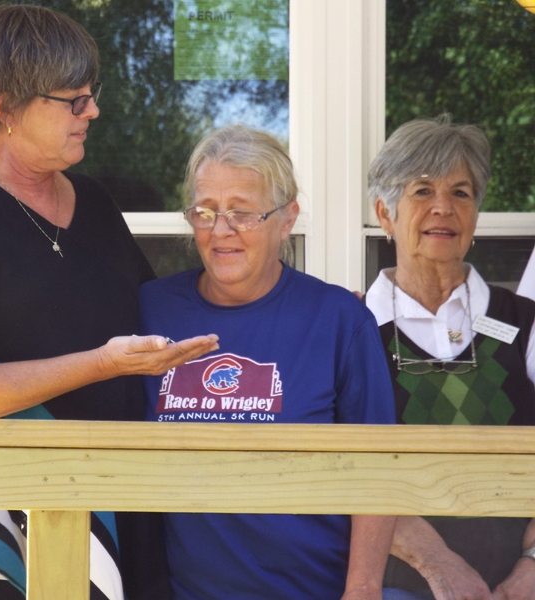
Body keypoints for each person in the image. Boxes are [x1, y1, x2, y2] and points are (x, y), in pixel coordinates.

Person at [0, 5, 219, 600]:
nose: (92, 111)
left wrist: (290, 299)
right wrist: (102, 363)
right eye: (73, 100)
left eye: (91, 94)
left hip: (100, 506)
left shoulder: (95, 204)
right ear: (6, 108)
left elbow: (159, 309)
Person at [139, 124, 397, 600]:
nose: (221, 231)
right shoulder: (152, 311)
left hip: (314, 590)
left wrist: (362, 588)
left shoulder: (339, 319)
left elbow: (379, 465)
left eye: (242, 213)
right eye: (205, 212)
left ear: (286, 219)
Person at [365, 115, 535, 600]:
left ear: (476, 214)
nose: (443, 207)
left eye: (460, 193)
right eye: (422, 191)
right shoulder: (354, 330)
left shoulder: (525, 323)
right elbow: (341, 473)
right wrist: (439, 565)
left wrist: (532, 567)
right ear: (385, 214)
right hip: (397, 587)